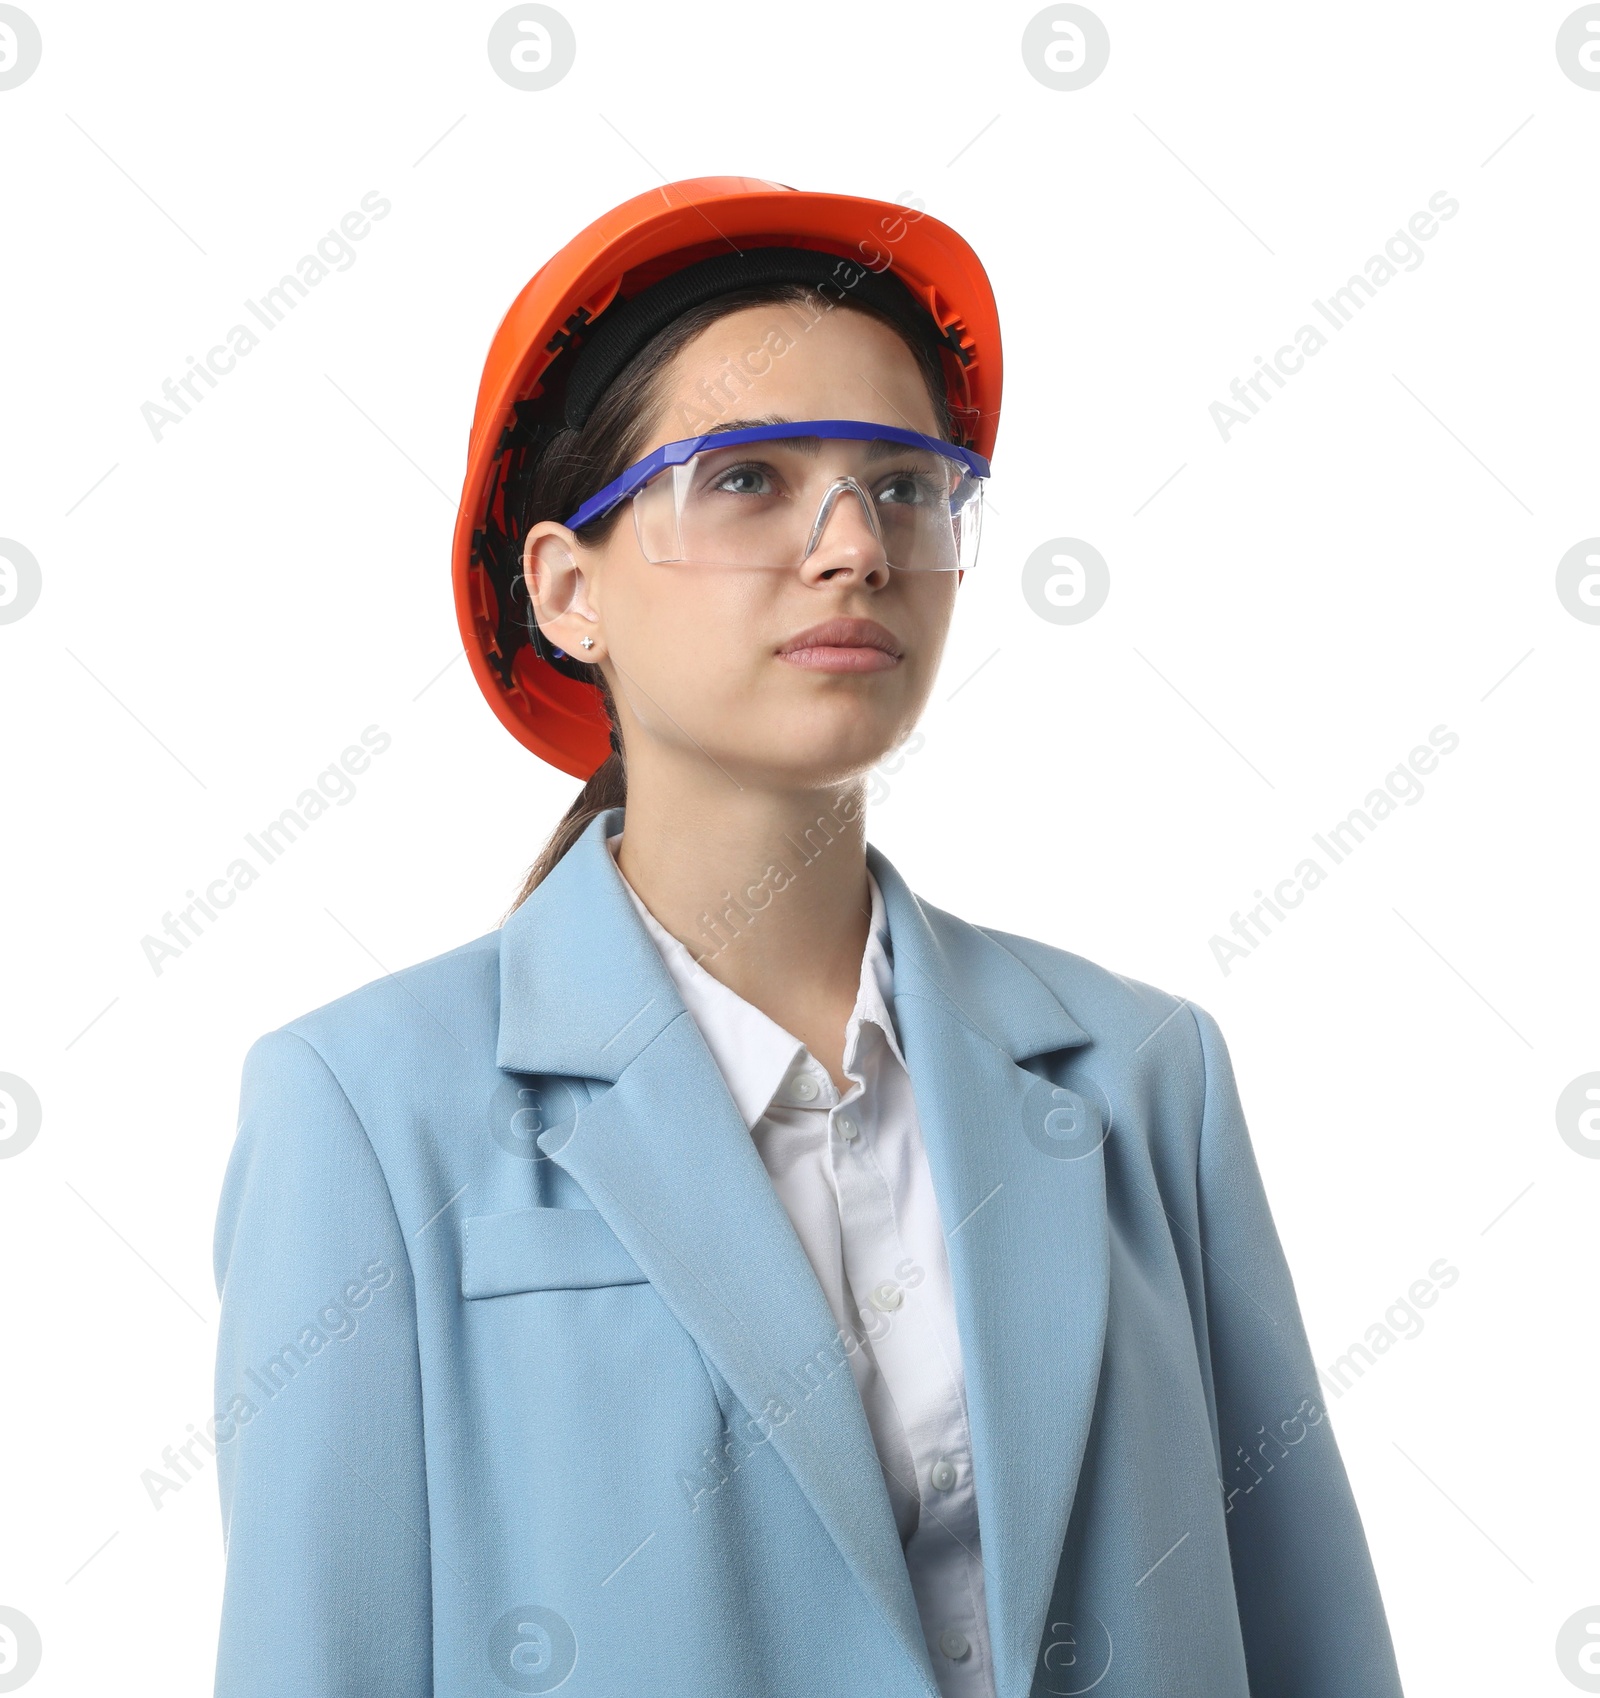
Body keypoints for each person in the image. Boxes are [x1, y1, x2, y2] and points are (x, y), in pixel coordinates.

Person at [211, 178, 1406, 1698]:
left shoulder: (1146, 1075)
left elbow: (1315, 1644)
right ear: (569, 590)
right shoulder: (368, 1108)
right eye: (750, 478)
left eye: (905, 487)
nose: (853, 547)